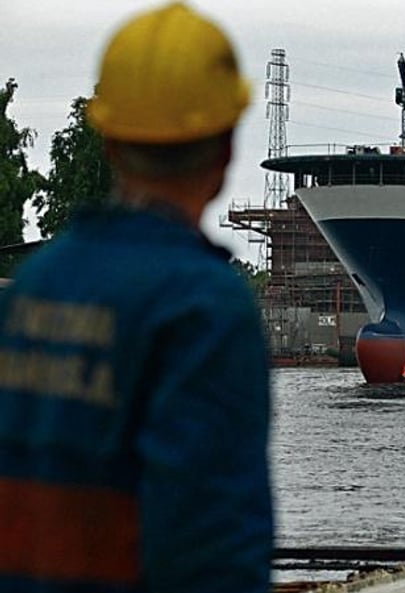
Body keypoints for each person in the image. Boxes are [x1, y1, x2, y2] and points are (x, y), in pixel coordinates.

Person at [0, 3, 272, 592]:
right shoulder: (203, 308)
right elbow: (211, 550)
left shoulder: (31, 289)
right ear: (226, 148)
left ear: (110, 144)